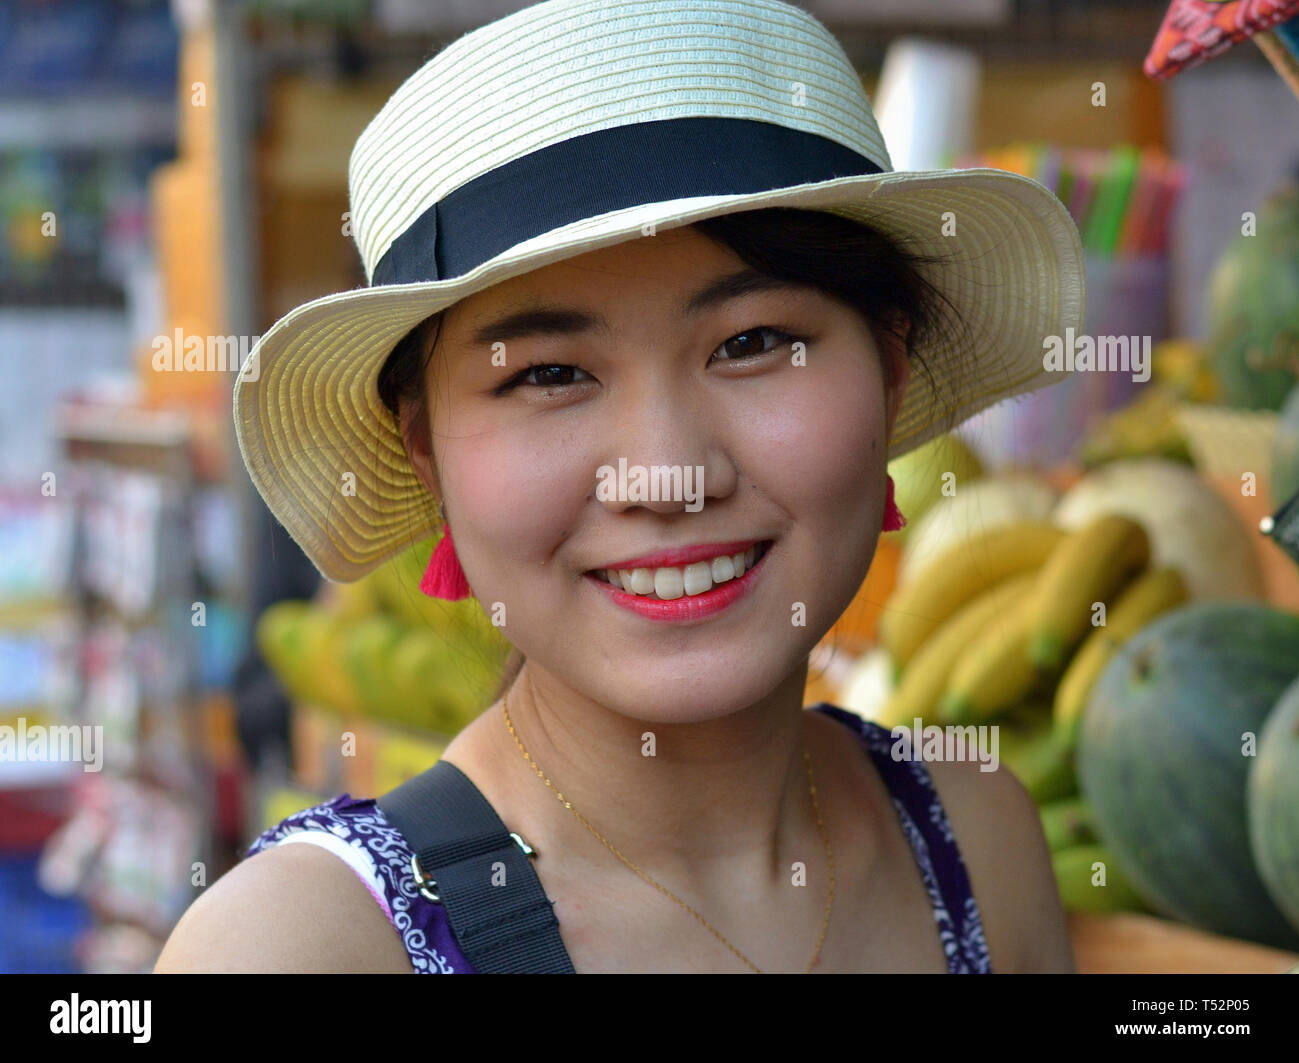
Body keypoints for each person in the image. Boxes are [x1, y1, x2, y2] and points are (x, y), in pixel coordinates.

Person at [155, 0, 1083, 974]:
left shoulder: (977, 843)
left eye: (753, 343)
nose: (666, 473)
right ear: (425, 452)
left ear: (890, 374)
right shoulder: (298, 948)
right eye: (548, 373)